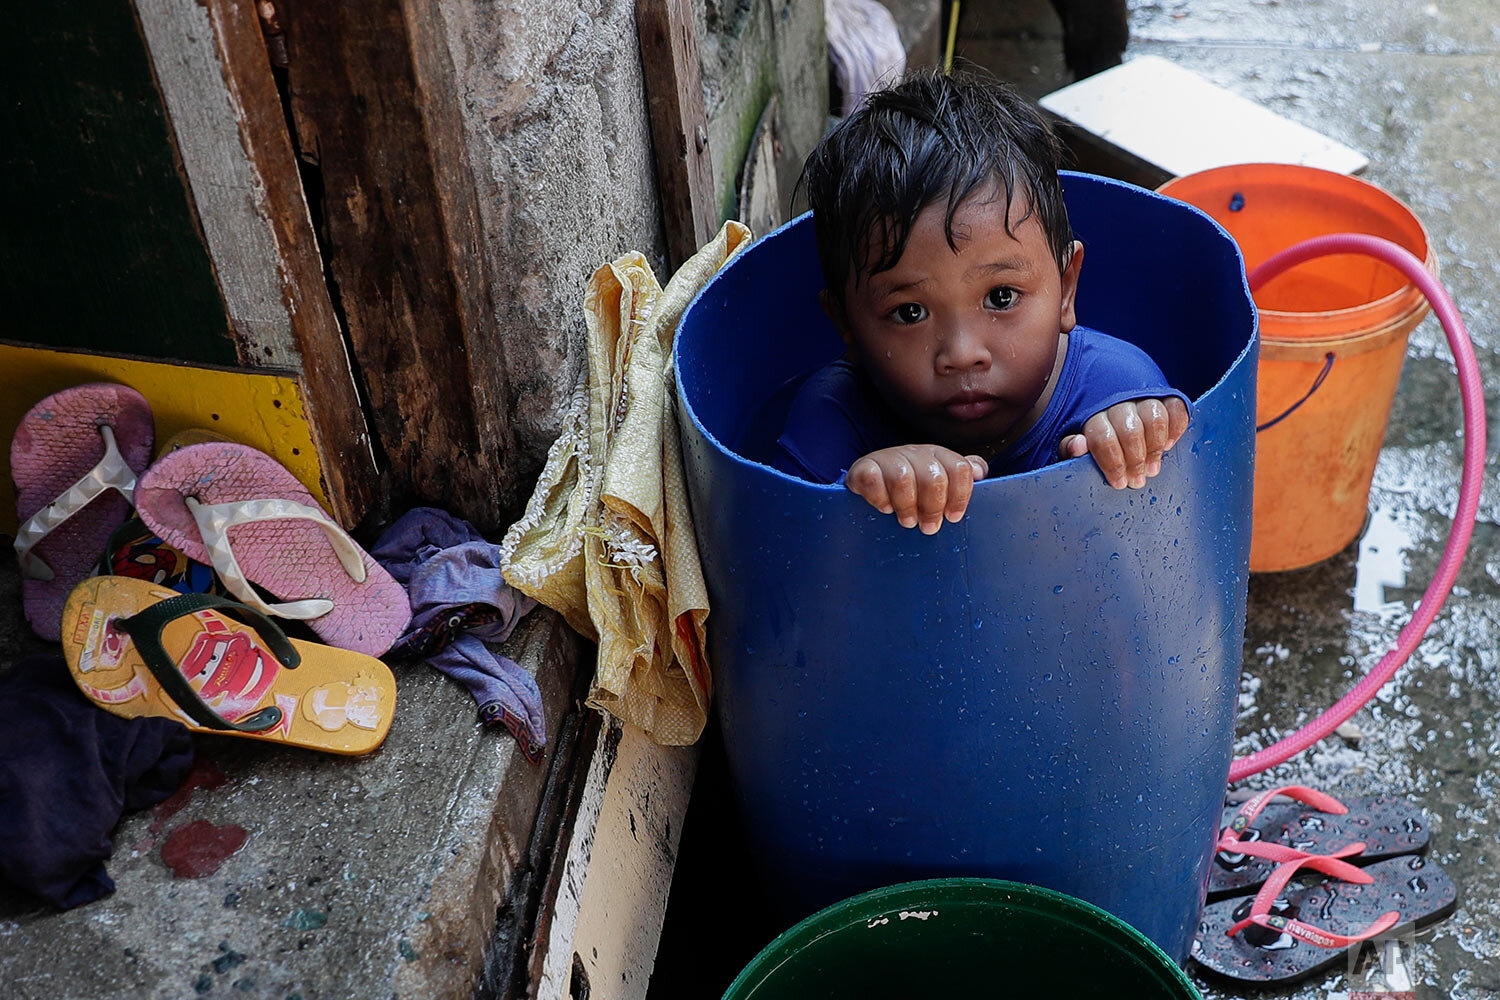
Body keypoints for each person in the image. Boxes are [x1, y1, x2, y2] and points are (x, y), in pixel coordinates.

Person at [773, 69, 1191, 533]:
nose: (963, 353)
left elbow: (1173, 536)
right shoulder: (836, 414)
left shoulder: (1114, 386)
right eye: (910, 312)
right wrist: (857, 494)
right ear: (846, 323)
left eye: (1001, 296)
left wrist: (1136, 440)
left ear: (1067, 289)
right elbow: (772, 549)